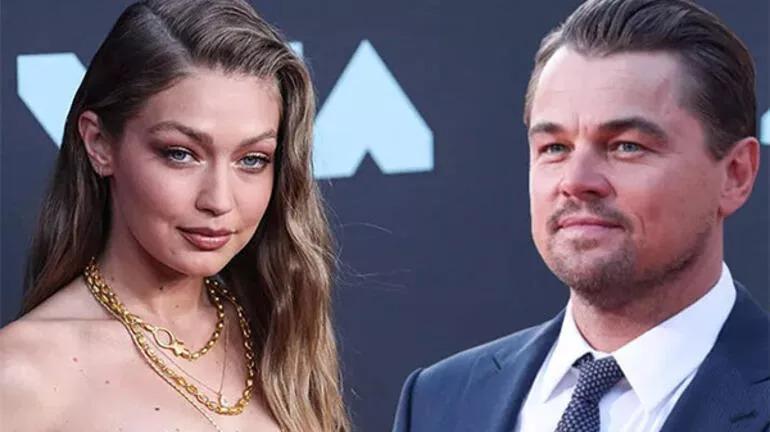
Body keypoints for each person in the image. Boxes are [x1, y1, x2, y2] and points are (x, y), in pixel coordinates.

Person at [393, 0, 768, 431]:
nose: (576, 181)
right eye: (555, 148)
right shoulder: (438, 401)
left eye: (627, 146)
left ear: (735, 175)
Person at [0, 1, 349, 431]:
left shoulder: (281, 333)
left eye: (252, 159)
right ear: (99, 144)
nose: (219, 200)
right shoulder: (21, 375)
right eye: (180, 154)